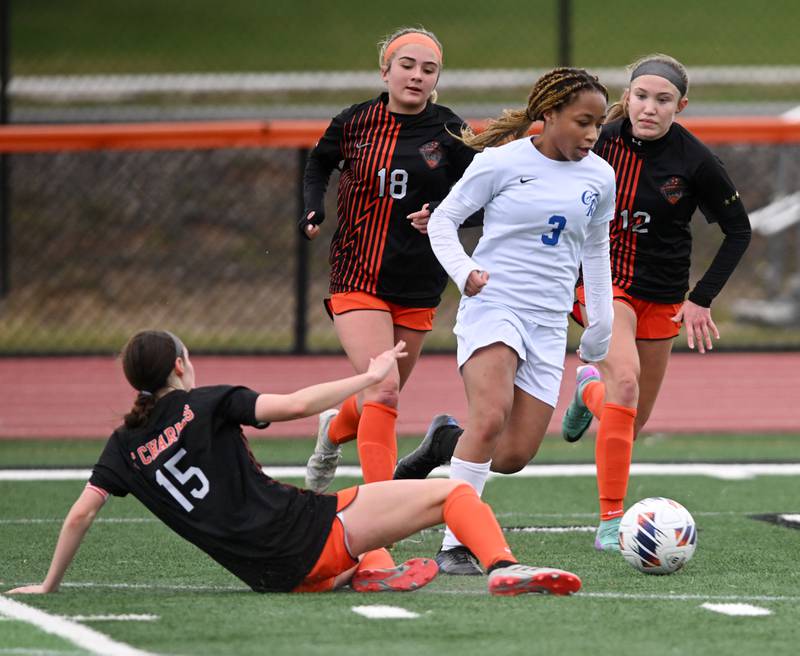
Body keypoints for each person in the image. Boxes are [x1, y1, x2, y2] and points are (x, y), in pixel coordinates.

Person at [6, 330, 581, 597]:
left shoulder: (122, 447)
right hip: (307, 537)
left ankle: (368, 570)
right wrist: (373, 374)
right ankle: (502, 565)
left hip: (270, 577)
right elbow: (300, 405)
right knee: (453, 497)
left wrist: (50, 584)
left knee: (359, 513)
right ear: (181, 365)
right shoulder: (206, 403)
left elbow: (80, 515)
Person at [394, 68, 617, 575]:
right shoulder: (499, 162)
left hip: (547, 322)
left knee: (514, 454)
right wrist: (465, 271)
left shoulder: (600, 176)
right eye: (582, 121)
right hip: (494, 305)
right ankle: (456, 543)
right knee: (490, 416)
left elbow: (597, 248)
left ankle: (444, 442)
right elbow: (445, 223)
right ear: (549, 115)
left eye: (599, 124)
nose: (591, 134)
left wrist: (600, 321)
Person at [559, 53, 751, 550]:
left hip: (663, 294)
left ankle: (587, 393)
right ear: (627, 95)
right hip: (603, 283)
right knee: (625, 382)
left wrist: (701, 299)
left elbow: (738, 231)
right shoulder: (595, 140)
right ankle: (611, 521)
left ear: (680, 105)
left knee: (631, 418)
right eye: (641, 96)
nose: (649, 108)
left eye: (662, 100)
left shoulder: (696, 160)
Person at [299, 27, 480, 494]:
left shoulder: (451, 131)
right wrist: (313, 206)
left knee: (377, 394)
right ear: (386, 70)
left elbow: (485, 200)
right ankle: (379, 512)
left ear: (437, 77)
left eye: (428, 69)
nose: (416, 76)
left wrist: (445, 215)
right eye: (407, 65)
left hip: (420, 281)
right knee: (383, 390)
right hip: (358, 273)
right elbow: (319, 163)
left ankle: (332, 430)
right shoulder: (355, 122)